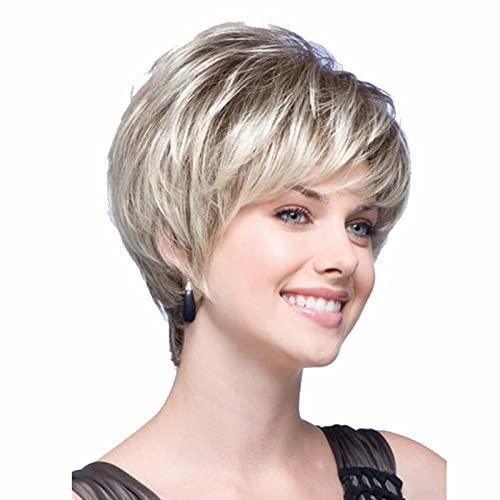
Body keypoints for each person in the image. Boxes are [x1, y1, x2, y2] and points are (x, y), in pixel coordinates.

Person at [72, 22, 446, 499]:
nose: (345, 259)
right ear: (180, 242)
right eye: (294, 214)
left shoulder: (421, 482)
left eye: (359, 226)